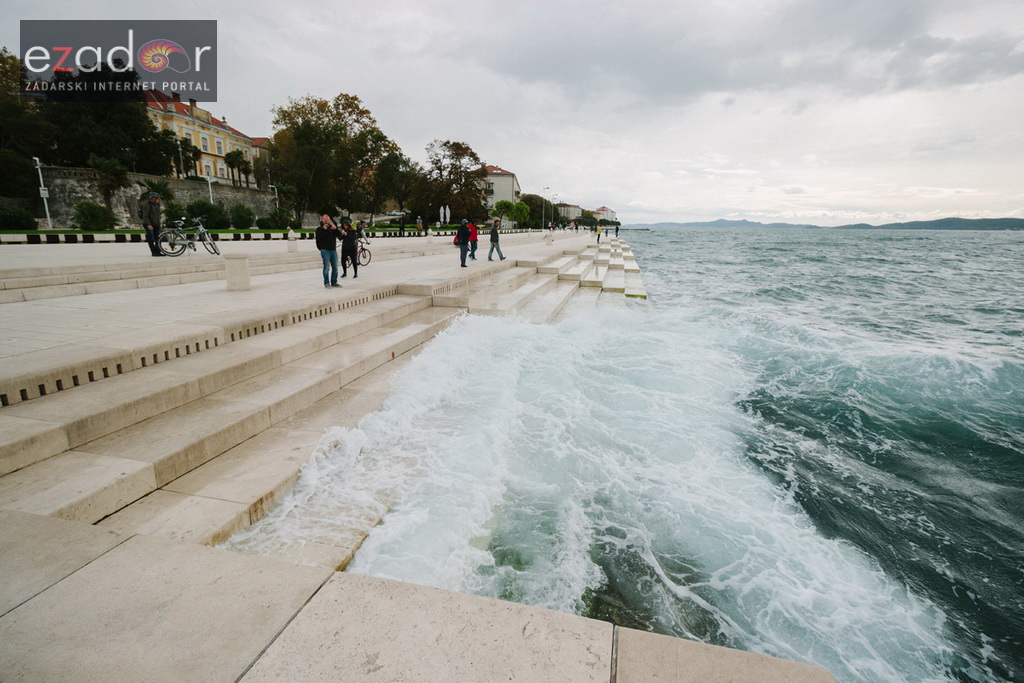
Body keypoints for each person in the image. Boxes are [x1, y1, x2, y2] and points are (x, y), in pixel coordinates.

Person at [315, 214, 340, 287]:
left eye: (327, 220)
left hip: (333, 250)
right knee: (326, 267)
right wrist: (324, 229)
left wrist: (336, 229)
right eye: (325, 220)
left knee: (335, 267)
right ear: (322, 220)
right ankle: (326, 282)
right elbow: (318, 238)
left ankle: (334, 282)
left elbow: (340, 236)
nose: (326, 222)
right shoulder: (319, 229)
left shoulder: (331, 228)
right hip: (325, 250)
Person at [142, 192, 163, 257]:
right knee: (151, 238)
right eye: (157, 198)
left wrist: (159, 225)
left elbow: (158, 216)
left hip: (156, 224)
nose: (159, 200)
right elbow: (145, 216)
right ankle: (153, 252)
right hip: (149, 224)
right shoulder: (146, 204)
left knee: (158, 238)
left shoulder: (157, 205)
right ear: (153, 198)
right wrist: (148, 224)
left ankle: (158, 251)